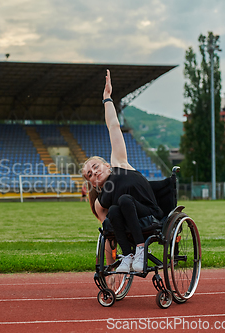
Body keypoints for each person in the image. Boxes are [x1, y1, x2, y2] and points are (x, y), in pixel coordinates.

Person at [81, 70, 163, 273]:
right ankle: (128, 256)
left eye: (95, 167)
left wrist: (107, 98)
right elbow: (108, 234)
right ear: (92, 184)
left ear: (106, 166)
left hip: (149, 216)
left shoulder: (119, 164)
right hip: (127, 227)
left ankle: (140, 251)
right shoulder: (101, 203)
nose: (94, 173)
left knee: (124, 200)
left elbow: (114, 127)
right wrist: (109, 271)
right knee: (116, 209)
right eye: (89, 175)